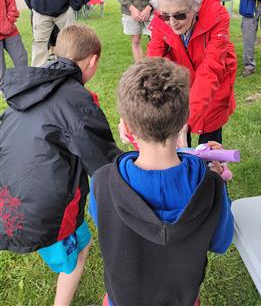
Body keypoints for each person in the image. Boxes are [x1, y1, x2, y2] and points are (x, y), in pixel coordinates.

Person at [93, 57, 234, 306]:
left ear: (127, 127)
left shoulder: (103, 182)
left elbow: (106, 222)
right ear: (184, 121)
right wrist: (215, 175)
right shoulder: (209, 184)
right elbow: (221, 242)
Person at [0, 24, 120, 305]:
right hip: (41, 211)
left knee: (85, 241)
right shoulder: (76, 99)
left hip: (8, 197)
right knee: (72, 257)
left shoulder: (30, 86)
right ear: (92, 61)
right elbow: (104, 163)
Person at [147, 0, 237, 145]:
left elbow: (211, 69)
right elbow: (152, 68)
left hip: (213, 90)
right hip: (179, 89)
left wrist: (188, 117)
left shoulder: (218, 16)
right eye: (165, 15)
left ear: (196, 5)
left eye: (180, 15)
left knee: (210, 149)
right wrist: (132, 114)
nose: (172, 23)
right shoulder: (161, 19)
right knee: (177, 143)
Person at [0, 0, 28, 96]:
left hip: (9, 30)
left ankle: (24, 83)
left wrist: (9, 22)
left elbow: (11, 3)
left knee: (21, 57)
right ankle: (3, 89)